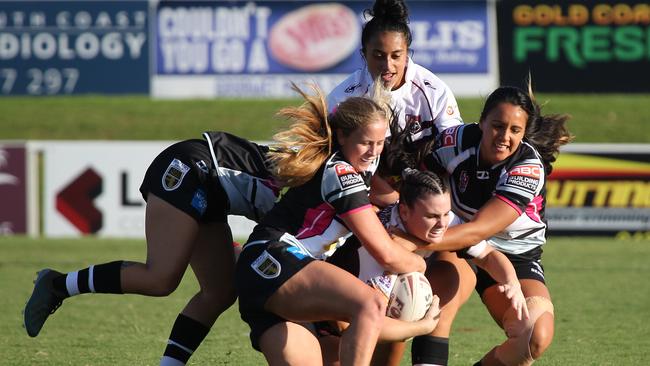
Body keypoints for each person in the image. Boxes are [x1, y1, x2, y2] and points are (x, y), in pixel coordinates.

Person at [23, 131, 281, 365]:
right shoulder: (314, 188)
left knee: (221, 291)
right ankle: (58, 285)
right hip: (189, 169)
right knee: (160, 279)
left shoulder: (315, 182)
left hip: (212, 188)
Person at [235, 83, 433, 366]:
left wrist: (420, 328)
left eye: (379, 143)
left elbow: (390, 201)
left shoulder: (361, 166)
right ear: (341, 135)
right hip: (275, 260)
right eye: (366, 142)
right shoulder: (341, 172)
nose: (373, 152)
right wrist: (420, 264)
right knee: (369, 303)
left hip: (267, 279)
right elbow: (385, 254)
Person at [392, 84, 572, 366]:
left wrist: (411, 241)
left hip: (514, 253)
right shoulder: (455, 142)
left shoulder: (527, 167)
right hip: (454, 241)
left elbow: (479, 230)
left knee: (534, 335)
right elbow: (418, 183)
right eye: (497, 126)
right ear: (482, 122)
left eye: (515, 130)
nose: (504, 137)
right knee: (435, 297)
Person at [323, 169, 529, 366]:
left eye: (446, 214)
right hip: (327, 326)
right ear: (403, 212)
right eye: (431, 216)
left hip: (363, 323)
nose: (442, 224)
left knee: (448, 274)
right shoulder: (382, 246)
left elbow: (488, 255)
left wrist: (512, 282)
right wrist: (422, 327)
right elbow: (354, 323)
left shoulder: (441, 220)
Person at [327, 0, 462, 147]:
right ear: (364, 54)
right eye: (378, 56)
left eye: (396, 56)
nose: (387, 65)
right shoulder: (342, 99)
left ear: (406, 54)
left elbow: (454, 148)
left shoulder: (435, 92)